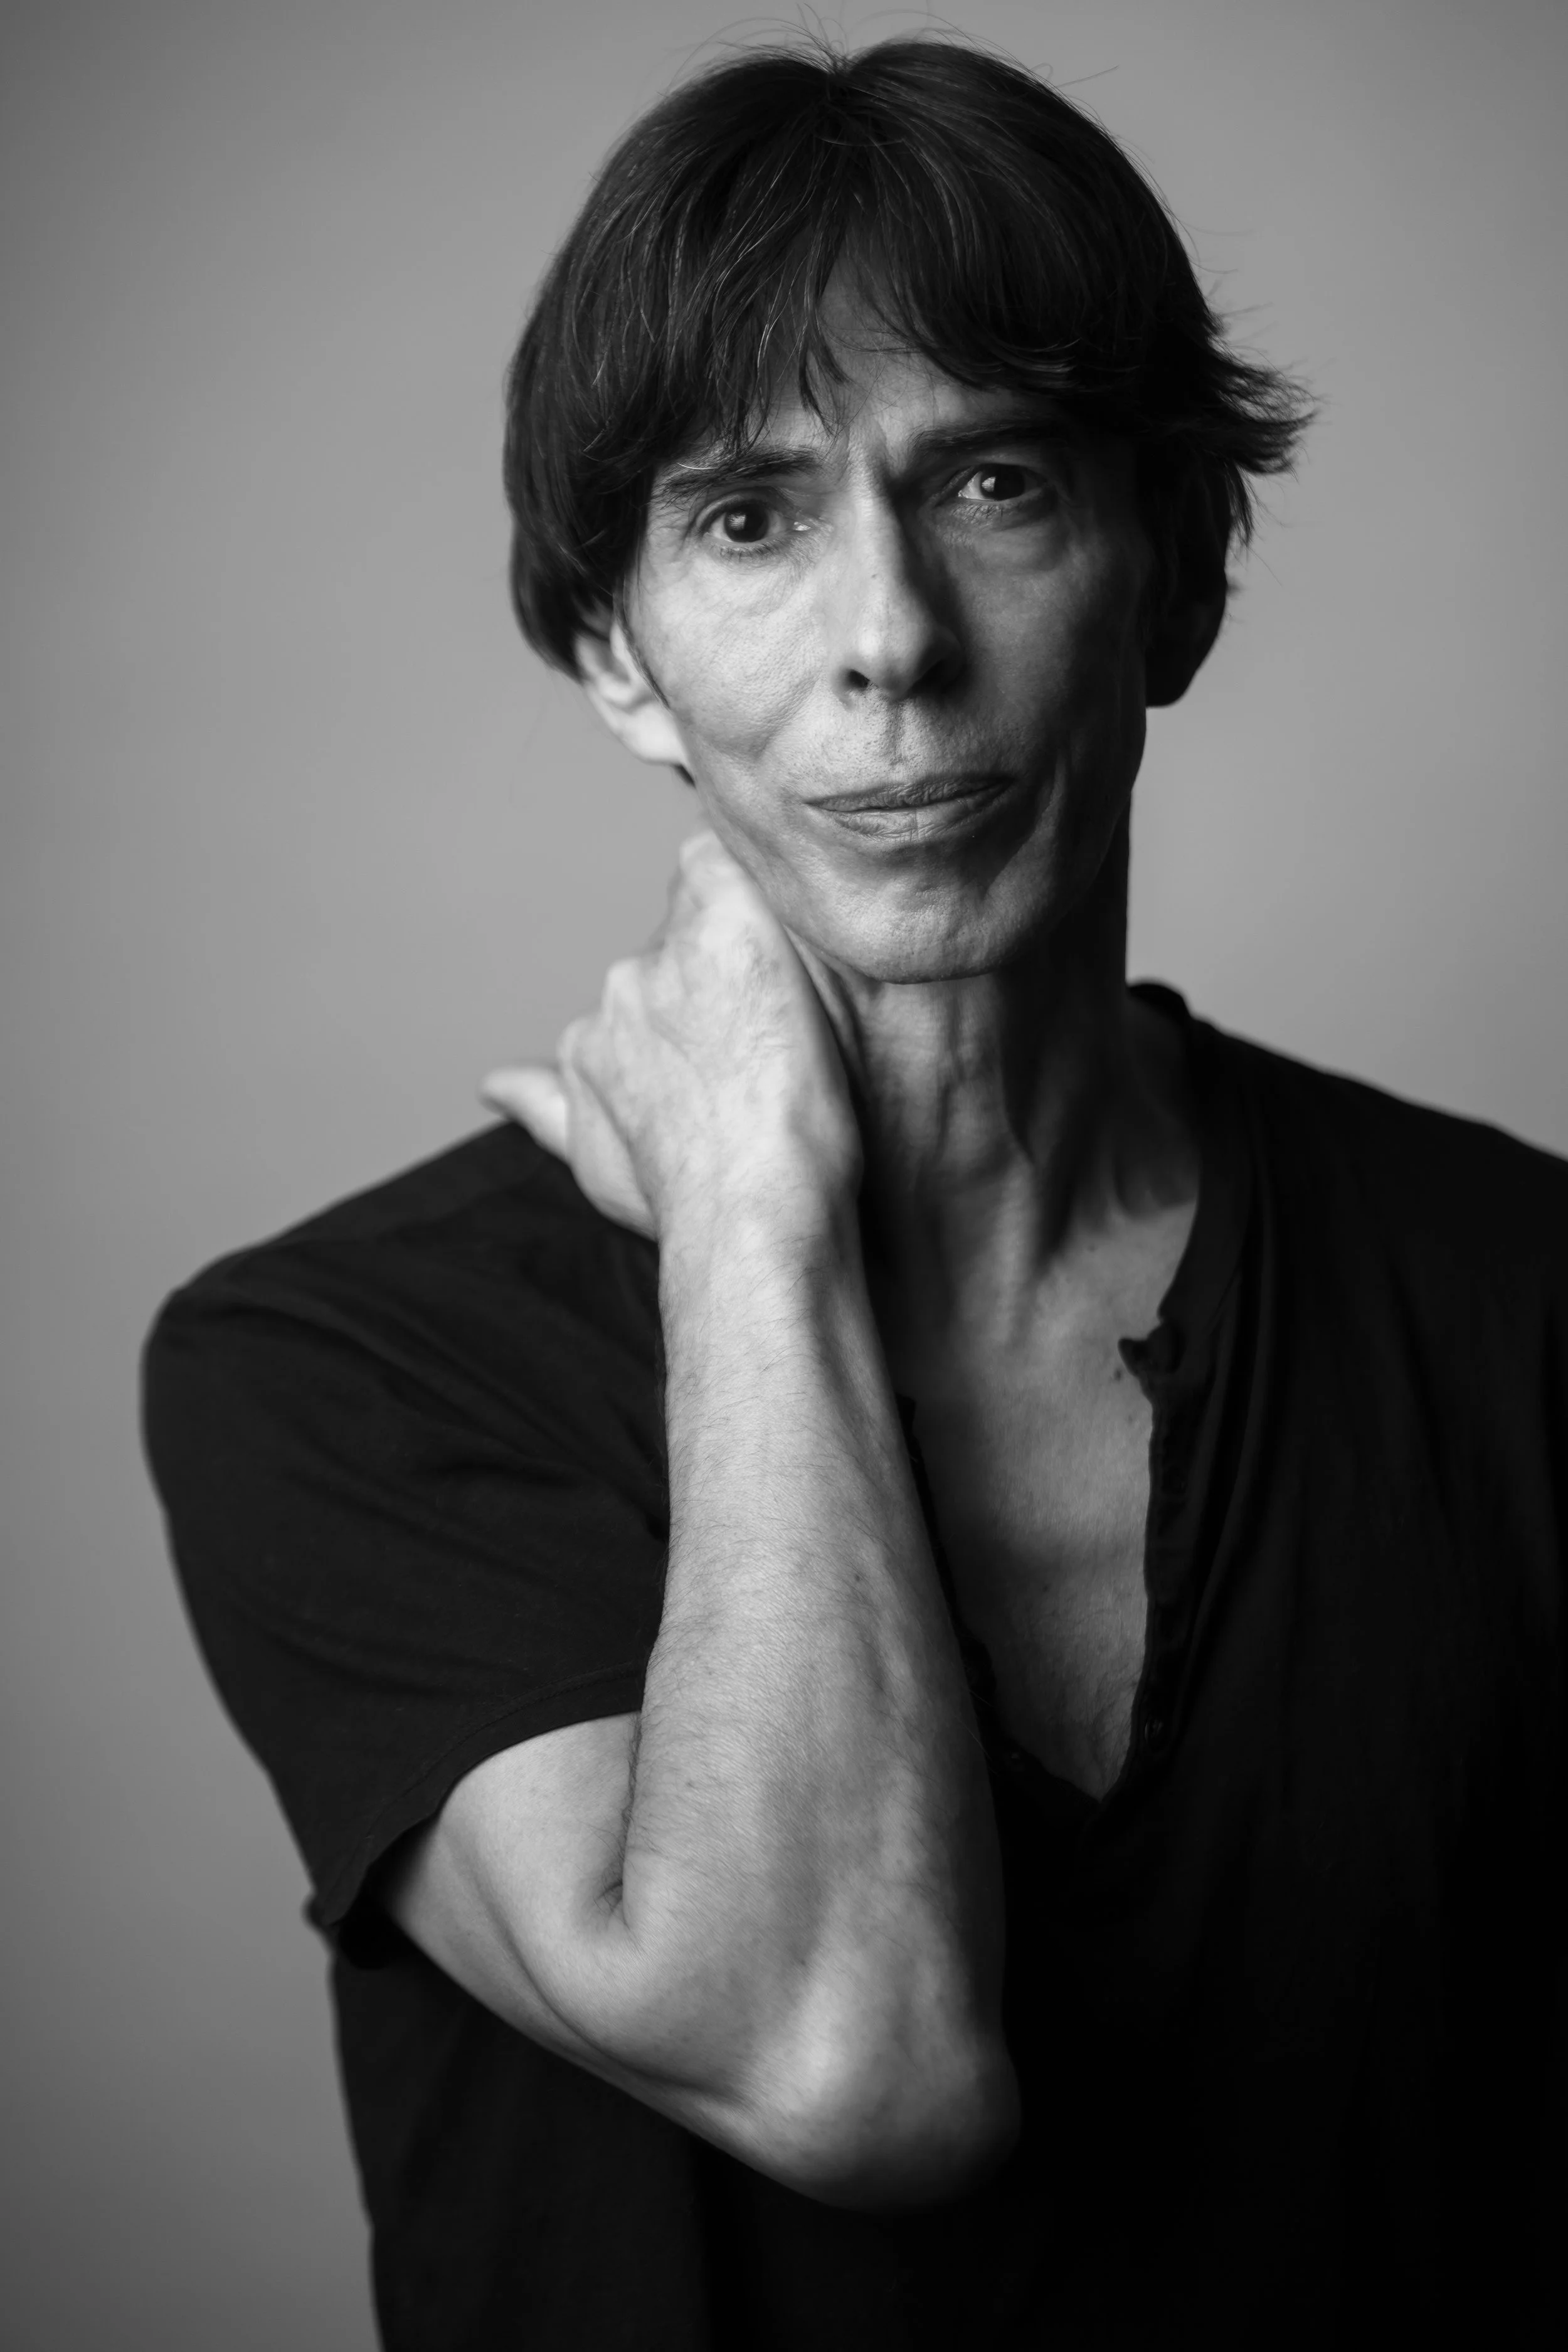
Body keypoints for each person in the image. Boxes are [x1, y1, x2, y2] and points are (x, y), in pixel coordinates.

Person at [142, 34, 1566, 2351]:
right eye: (746, 516)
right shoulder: (336, 1368)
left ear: (1177, 576)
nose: (887, 635)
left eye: (993, 480)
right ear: (617, 649)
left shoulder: (1521, 1304)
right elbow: (845, 2062)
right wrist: (752, 1223)